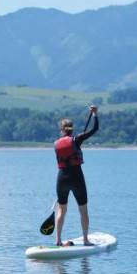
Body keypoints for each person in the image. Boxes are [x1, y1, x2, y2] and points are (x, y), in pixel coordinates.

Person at [54, 105, 99, 246]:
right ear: (72, 128)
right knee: (83, 210)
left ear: (61, 130)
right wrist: (95, 115)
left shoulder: (56, 144)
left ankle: (58, 240)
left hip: (61, 179)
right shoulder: (77, 139)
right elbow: (95, 129)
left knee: (61, 209)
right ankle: (86, 240)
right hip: (76, 178)